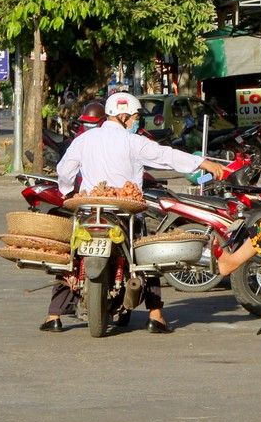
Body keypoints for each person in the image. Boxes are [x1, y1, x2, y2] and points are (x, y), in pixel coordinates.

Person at [43, 92, 226, 333]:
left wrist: (67, 191)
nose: (137, 122)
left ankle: (53, 316)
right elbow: (166, 155)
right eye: (136, 117)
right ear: (123, 116)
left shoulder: (84, 140)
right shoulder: (134, 142)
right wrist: (204, 163)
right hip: (124, 212)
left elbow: (65, 170)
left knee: (73, 256)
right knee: (143, 255)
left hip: (88, 209)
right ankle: (156, 314)